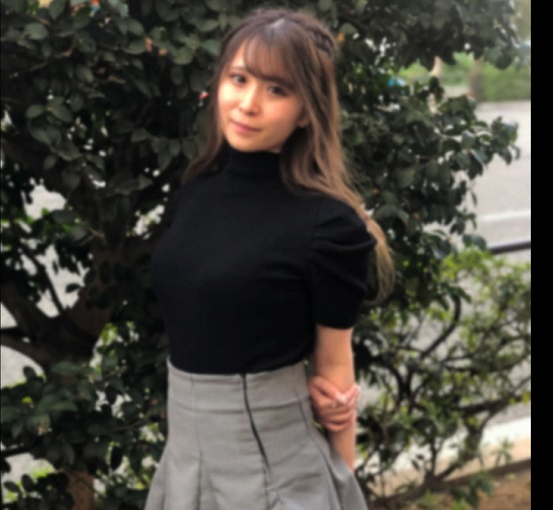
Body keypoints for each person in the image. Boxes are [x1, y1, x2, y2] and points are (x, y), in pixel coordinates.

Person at [146, 7, 394, 510]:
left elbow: (334, 366)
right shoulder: (194, 193)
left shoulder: (327, 224)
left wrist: (342, 482)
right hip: (183, 459)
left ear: (306, 112)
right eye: (239, 79)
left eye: (276, 90)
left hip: (274, 468)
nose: (248, 103)